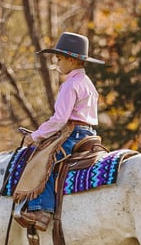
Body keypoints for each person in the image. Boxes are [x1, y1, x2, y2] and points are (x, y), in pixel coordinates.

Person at [19, 31, 105, 231]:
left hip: (73, 133)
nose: (57, 63)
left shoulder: (70, 85)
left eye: (59, 59)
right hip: (89, 134)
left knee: (44, 159)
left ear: (71, 59)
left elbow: (59, 120)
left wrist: (35, 136)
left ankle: (41, 209)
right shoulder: (87, 83)